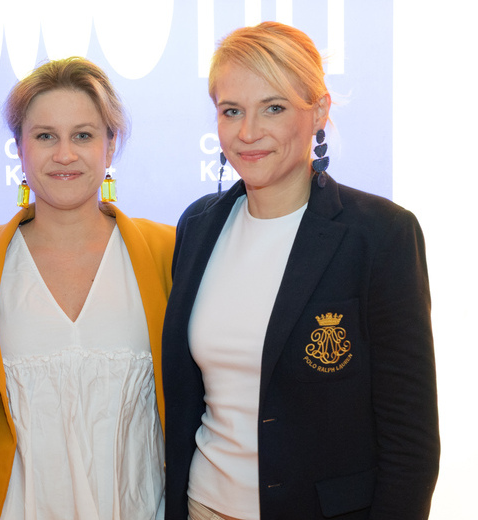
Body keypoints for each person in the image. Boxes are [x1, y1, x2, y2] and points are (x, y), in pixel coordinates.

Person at [162, 22, 439, 520]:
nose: (248, 132)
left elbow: (410, 442)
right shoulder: (197, 226)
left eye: (274, 107)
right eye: (231, 111)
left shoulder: (380, 235)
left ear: (319, 111)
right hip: (204, 505)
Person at [0, 56, 174, 519]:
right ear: (19, 147)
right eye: (45, 136)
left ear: (111, 146)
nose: (65, 155)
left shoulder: (167, 252)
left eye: (84, 135)